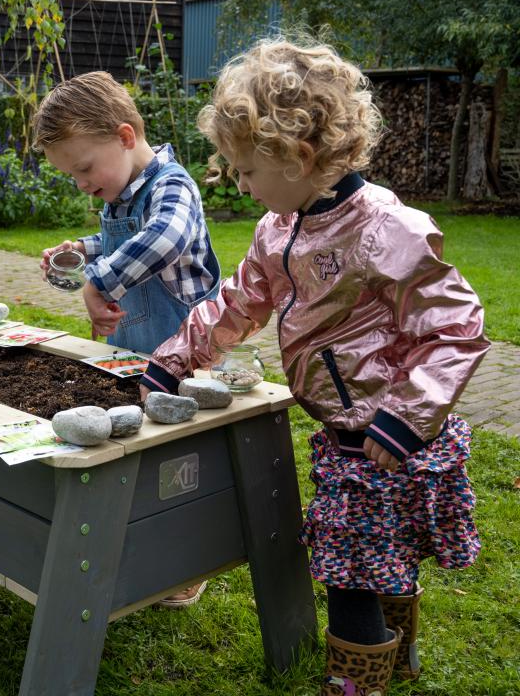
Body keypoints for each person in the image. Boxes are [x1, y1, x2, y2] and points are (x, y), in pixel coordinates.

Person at [141, 37, 489, 693]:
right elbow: (238, 302)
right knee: (376, 553)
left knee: (351, 568)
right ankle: (398, 654)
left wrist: (406, 416)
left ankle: (355, 680)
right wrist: (175, 359)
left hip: (387, 434)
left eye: (245, 169)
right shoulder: (280, 229)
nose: (239, 184)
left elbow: (454, 326)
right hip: (343, 430)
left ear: (296, 156)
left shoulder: (386, 229)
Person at [32, 70, 222, 608]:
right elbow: (122, 239)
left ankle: (186, 561)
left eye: (85, 168)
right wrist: (83, 254)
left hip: (188, 349)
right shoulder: (120, 195)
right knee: (143, 450)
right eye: (71, 176)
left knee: (181, 462)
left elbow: (163, 238)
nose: (81, 184)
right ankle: (143, 539)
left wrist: (100, 279)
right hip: (140, 351)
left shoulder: (173, 185)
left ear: (123, 136)